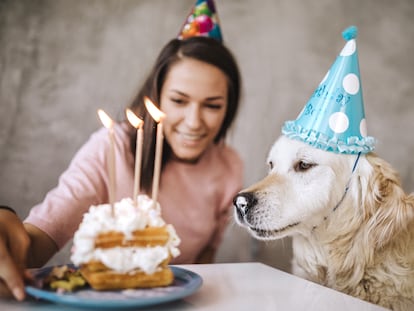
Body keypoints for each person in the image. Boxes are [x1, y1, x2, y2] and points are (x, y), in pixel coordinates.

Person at [0, 1, 243, 301]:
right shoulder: (111, 147)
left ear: (228, 108)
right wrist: (8, 234)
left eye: (212, 105)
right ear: (156, 97)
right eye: (179, 101)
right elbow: (37, 242)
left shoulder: (229, 167)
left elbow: (205, 264)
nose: (194, 122)